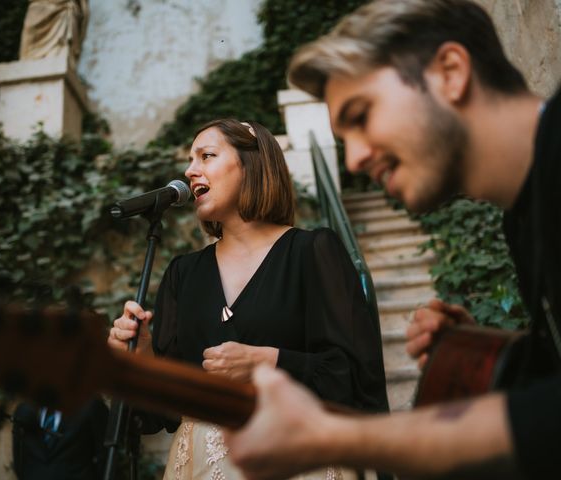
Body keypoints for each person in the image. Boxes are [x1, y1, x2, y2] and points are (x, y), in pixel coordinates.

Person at [222, 0, 561, 479]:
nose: (355, 159)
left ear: (450, 71)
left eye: (361, 116)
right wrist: (486, 350)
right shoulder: (521, 217)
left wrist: (335, 437)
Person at [108, 118, 389, 479]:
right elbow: (162, 411)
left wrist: (271, 361)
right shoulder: (183, 273)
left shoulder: (312, 252)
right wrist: (141, 356)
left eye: (206, 156)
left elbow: (355, 378)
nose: (191, 171)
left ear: (252, 164)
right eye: (189, 161)